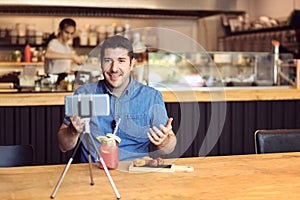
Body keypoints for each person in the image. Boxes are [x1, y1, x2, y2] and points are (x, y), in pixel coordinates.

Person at [57, 35, 177, 162]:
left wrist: (164, 142)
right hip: (94, 173)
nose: (114, 68)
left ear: (132, 64)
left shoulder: (151, 97)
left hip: (135, 171)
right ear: (101, 63)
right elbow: (63, 146)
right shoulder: (84, 93)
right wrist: (72, 131)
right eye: (108, 60)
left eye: (121, 61)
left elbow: (169, 148)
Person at [44, 18, 84, 86]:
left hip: (63, 81)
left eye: (71, 33)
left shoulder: (67, 46)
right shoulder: (54, 43)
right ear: (60, 30)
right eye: (66, 32)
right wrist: (72, 56)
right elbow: (48, 54)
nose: (69, 36)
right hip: (53, 81)